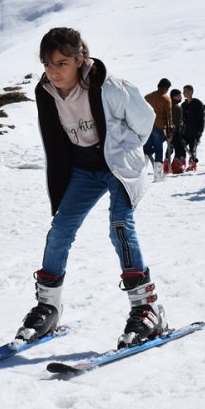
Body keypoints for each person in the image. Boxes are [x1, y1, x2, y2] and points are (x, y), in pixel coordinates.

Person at [17, 27, 162, 349]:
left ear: (80, 59)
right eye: (47, 65)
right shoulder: (47, 91)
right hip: (84, 168)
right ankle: (48, 307)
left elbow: (145, 120)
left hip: (118, 165)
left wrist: (123, 147)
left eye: (62, 63)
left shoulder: (110, 87)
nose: (54, 72)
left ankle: (146, 309)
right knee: (60, 231)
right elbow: (54, 138)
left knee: (120, 226)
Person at [143, 78, 172, 181]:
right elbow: (169, 117)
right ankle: (157, 175)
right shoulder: (166, 99)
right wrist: (169, 132)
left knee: (146, 150)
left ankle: (141, 173)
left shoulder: (147, 97)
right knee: (158, 149)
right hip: (159, 127)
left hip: (147, 126)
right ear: (166, 88)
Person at [181, 85, 205, 172]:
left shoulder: (197, 103)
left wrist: (201, 130)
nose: (184, 93)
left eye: (186, 91)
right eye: (183, 91)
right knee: (182, 147)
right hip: (185, 131)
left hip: (195, 130)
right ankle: (183, 164)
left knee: (193, 148)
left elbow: (201, 117)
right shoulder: (183, 105)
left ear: (191, 92)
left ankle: (192, 165)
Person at [165, 88, 186, 173]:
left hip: (171, 131)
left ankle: (167, 166)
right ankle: (176, 166)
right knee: (179, 148)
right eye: (179, 96)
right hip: (175, 131)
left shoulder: (169, 105)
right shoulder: (176, 107)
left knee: (170, 148)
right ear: (174, 97)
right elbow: (177, 121)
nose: (181, 97)